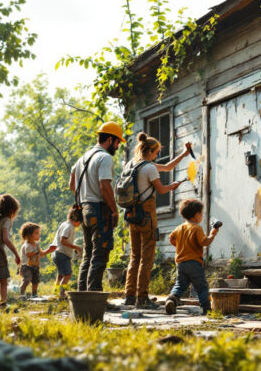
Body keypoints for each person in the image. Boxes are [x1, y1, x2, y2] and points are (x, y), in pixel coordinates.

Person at [123, 133, 190, 308]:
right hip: (146, 216)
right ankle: (142, 298)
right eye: (157, 152)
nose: (157, 155)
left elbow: (167, 167)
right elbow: (161, 190)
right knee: (147, 258)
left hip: (132, 215)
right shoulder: (150, 168)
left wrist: (184, 153)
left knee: (135, 256)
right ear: (150, 151)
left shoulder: (132, 164)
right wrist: (172, 186)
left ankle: (130, 296)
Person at [68, 121, 125, 292]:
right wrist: (114, 210)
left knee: (88, 254)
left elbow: (71, 184)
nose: (117, 146)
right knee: (100, 254)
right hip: (99, 209)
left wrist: (84, 197)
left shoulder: (82, 159)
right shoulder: (104, 157)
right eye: (117, 142)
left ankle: (82, 294)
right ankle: (94, 295)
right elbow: (104, 186)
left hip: (84, 209)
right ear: (110, 139)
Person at [164, 199, 219, 316]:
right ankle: (207, 309)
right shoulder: (196, 228)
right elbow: (204, 242)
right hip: (194, 263)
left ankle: (171, 300)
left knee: (180, 285)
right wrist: (213, 233)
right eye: (201, 213)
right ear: (196, 215)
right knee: (201, 287)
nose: (202, 215)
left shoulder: (179, 228)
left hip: (181, 264)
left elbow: (171, 238)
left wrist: (180, 246)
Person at [51, 208, 83, 299]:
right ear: (76, 220)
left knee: (61, 275)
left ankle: (56, 292)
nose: (80, 224)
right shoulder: (69, 227)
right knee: (67, 275)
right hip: (62, 254)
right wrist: (75, 247)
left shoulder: (64, 224)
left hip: (57, 253)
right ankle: (62, 294)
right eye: (80, 222)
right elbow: (63, 240)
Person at [18, 222, 55, 298]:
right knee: (27, 279)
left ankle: (34, 293)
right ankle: (22, 291)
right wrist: (37, 253)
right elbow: (28, 254)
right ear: (29, 235)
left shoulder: (37, 244)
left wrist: (49, 250)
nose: (39, 235)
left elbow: (41, 253)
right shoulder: (27, 245)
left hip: (35, 266)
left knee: (36, 280)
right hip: (26, 266)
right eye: (37, 233)